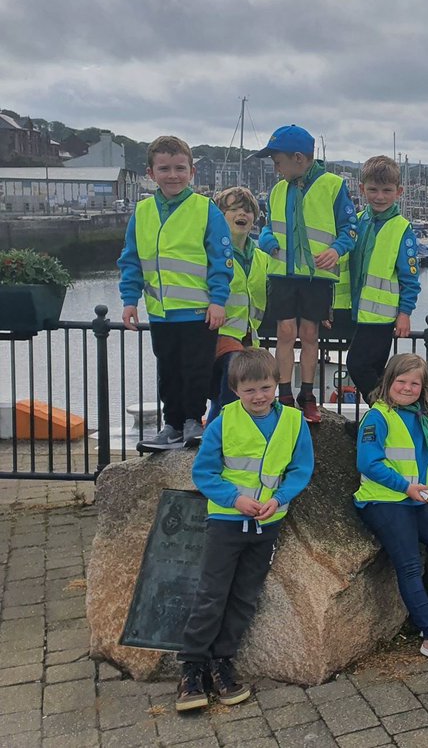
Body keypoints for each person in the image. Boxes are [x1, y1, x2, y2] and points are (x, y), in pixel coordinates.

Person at [175, 348, 314, 712]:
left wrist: (280, 497)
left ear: (277, 384)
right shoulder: (223, 422)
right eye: (250, 390)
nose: (259, 396)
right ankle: (192, 667)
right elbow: (204, 473)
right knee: (211, 593)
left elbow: (300, 469)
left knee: (244, 595)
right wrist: (234, 499)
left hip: (268, 521)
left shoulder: (294, 422)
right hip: (227, 519)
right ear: (236, 390)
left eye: (266, 387)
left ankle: (222, 661)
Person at [354, 354, 428, 664]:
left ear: (423, 388)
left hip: (414, 499)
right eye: (401, 381)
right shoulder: (377, 417)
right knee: (409, 564)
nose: (407, 388)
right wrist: (405, 487)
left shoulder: (422, 416)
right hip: (384, 501)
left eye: (415, 383)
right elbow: (368, 462)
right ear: (387, 382)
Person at [118, 135, 232, 451]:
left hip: (198, 311)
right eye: (165, 168)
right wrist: (130, 300)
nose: (173, 175)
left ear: (191, 172)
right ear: (151, 173)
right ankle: (171, 425)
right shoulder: (141, 212)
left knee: (196, 370)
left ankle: (193, 422)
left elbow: (221, 262)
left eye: (180, 168)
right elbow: (130, 260)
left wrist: (218, 301)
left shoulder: (205, 209)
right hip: (161, 312)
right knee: (168, 370)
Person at [255, 125, 357, 423]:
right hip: (282, 273)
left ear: (298, 158)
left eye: (278, 162)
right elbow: (266, 227)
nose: (276, 169)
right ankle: (284, 394)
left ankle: (308, 395)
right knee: (285, 332)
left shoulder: (333, 186)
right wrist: (266, 241)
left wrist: (337, 250)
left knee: (310, 333)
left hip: (317, 275)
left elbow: (350, 228)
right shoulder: (277, 190)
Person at [345, 155, 421, 408]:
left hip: (381, 315)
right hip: (353, 311)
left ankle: (389, 410)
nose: (379, 196)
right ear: (362, 189)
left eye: (387, 190)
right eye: (373, 190)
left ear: (399, 192)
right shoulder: (356, 222)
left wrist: (405, 313)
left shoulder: (402, 229)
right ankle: (382, 419)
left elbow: (410, 278)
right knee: (374, 372)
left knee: (357, 365)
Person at [209, 187, 270, 419]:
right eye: (233, 209)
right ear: (220, 216)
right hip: (216, 336)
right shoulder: (211, 253)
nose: (241, 214)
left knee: (243, 390)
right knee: (232, 385)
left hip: (248, 339)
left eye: (247, 210)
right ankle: (218, 431)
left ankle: (222, 430)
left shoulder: (262, 258)